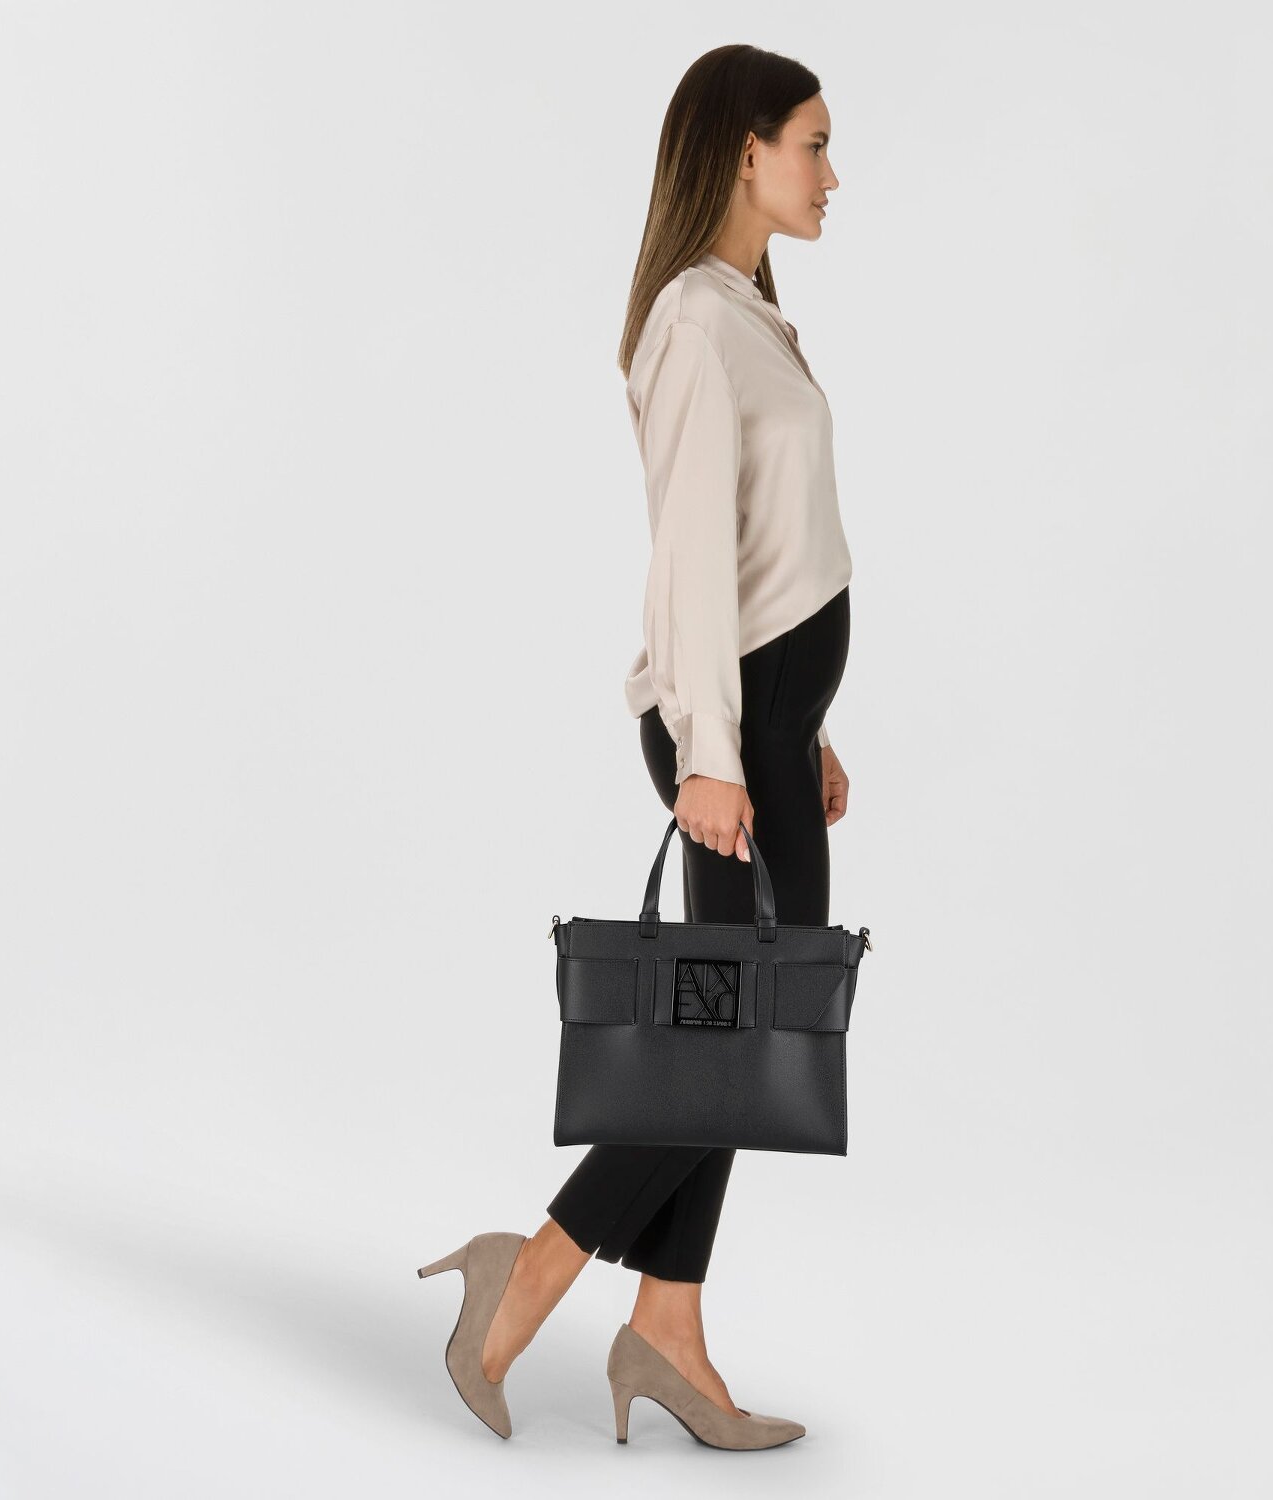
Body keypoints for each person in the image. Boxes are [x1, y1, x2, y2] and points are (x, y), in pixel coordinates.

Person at [418, 44, 853, 1450]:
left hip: (768, 729)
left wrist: (805, 728)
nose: (832, 175)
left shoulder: (747, 314)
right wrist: (716, 748)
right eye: (813, 144)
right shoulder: (692, 323)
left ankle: (668, 1325)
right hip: (730, 734)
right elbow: (690, 564)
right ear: (743, 148)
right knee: (737, 1044)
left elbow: (769, 548)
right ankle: (530, 1277)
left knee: (740, 1032)